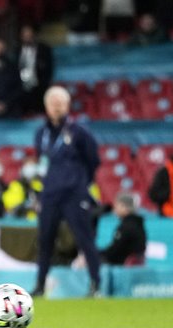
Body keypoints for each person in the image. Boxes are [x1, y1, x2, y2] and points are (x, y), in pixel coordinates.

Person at [32, 86, 101, 298]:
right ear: (46, 106)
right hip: (50, 195)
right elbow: (41, 163)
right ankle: (40, 285)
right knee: (45, 241)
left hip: (74, 194)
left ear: (68, 106)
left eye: (60, 103)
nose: (56, 108)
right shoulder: (40, 133)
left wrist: (80, 183)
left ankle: (95, 285)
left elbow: (93, 161)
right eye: (53, 104)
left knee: (84, 239)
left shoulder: (79, 132)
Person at [100, 193, 147, 266]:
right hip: (131, 263)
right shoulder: (138, 224)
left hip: (123, 264)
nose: (114, 209)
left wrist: (96, 254)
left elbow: (115, 250)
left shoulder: (127, 226)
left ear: (124, 207)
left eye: (117, 206)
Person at [17, 24, 53, 115]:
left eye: (29, 34)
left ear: (34, 34)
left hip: (40, 86)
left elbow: (49, 68)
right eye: (24, 34)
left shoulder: (44, 49)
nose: (27, 36)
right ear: (21, 36)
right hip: (22, 88)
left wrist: (45, 83)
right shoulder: (17, 50)